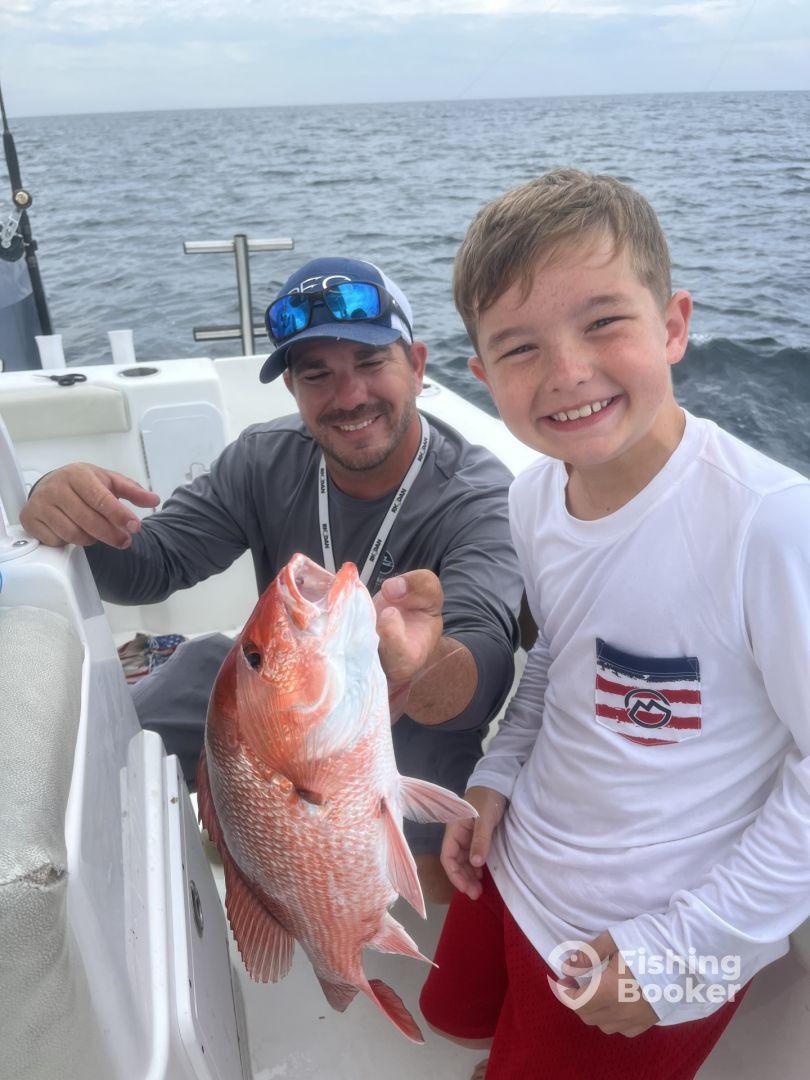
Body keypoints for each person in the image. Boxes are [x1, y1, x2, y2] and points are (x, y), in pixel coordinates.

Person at [419, 169, 810, 1078]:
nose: (567, 372)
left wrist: (680, 959)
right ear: (479, 377)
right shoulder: (531, 497)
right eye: (518, 348)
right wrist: (495, 774)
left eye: (603, 321)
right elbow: (561, 652)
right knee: (455, 1022)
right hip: (516, 862)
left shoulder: (769, 526)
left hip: (652, 936)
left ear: (673, 325)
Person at [20, 256, 523, 904]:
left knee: (434, 882)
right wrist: (74, 514)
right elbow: (156, 563)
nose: (348, 397)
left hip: (403, 729)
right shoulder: (263, 459)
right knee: (108, 755)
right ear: (291, 388)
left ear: (418, 365)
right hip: (275, 692)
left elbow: (483, 660)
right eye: (317, 375)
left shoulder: (477, 497)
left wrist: (415, 669)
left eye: (371, 365)